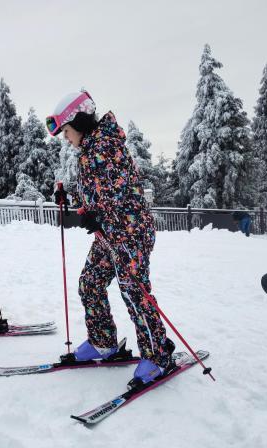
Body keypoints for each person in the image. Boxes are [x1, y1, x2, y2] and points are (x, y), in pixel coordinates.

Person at [47, 91, 175, 387]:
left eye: (66, 131)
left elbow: (119, 190)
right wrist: (72, 196)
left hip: (130, 234)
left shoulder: (105, 146)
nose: (66, 138)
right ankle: (103, 341)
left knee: (134, 291)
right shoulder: (89, 150)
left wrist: (96, 213)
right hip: (109, 235)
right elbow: (98, 189)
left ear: (78, 122)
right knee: (90, 283)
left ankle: (158, 356)